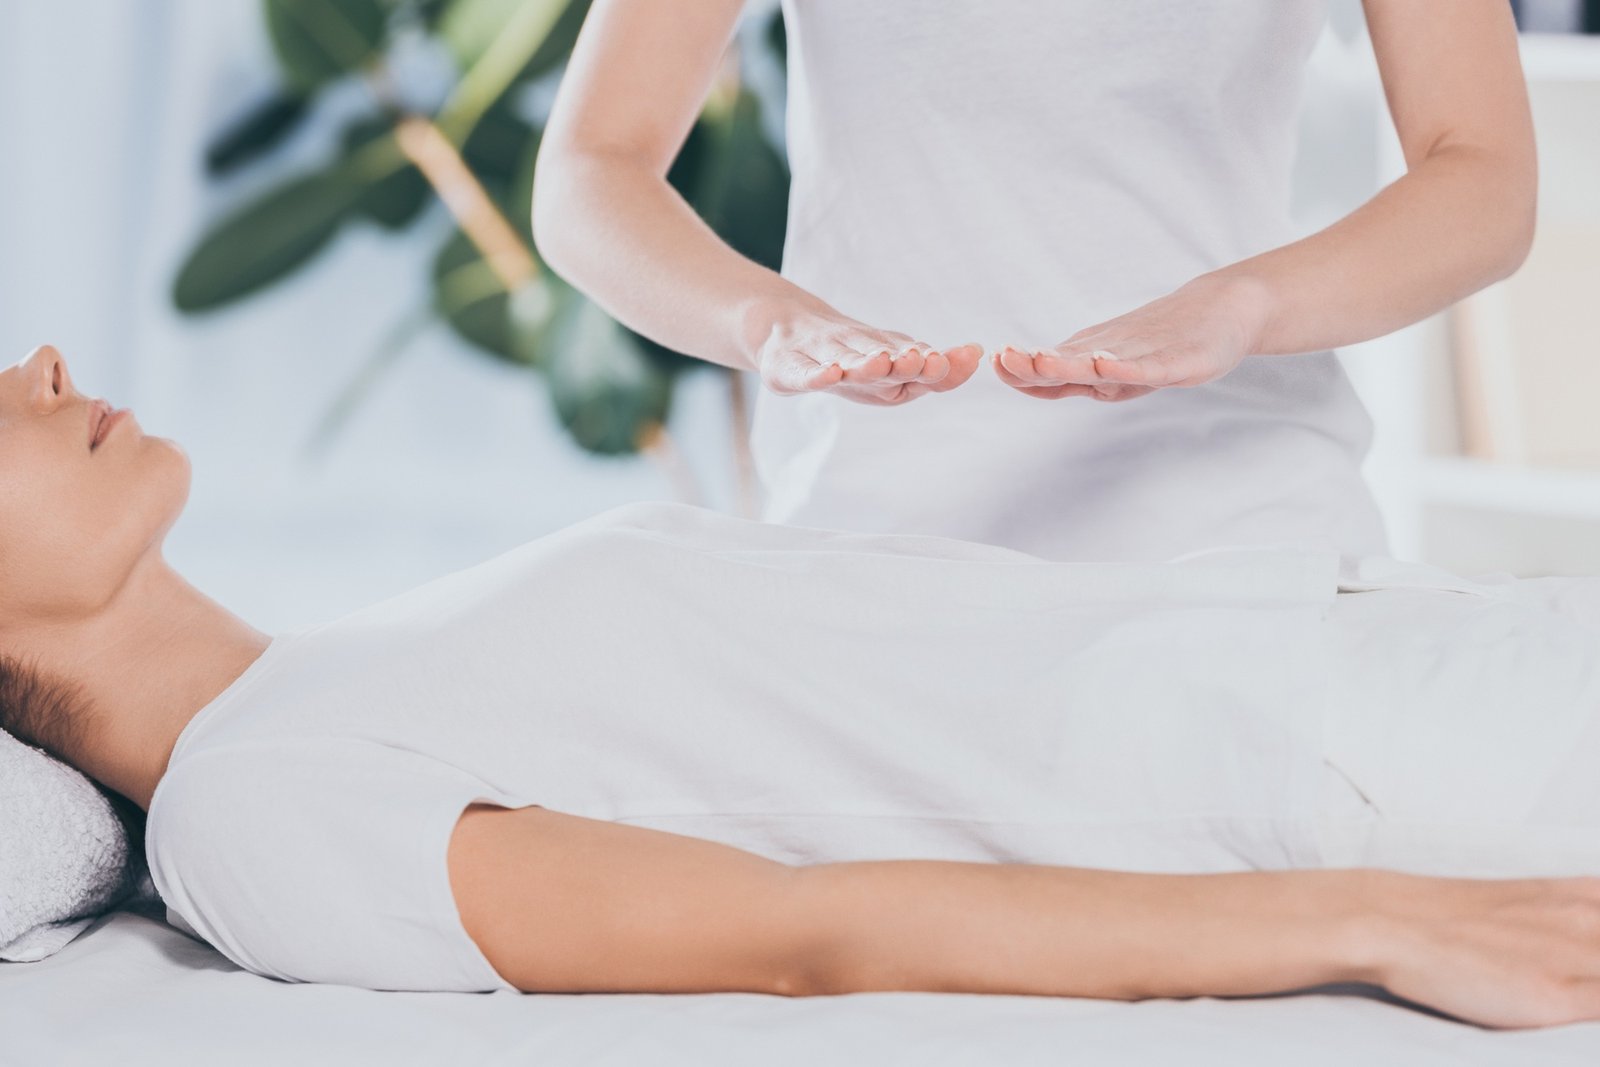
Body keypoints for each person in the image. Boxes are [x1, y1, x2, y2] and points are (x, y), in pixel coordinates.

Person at [4, 345, 1600, 1030]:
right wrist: (1386, 915)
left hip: (1367, 650)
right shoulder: (246, 806)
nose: (44, 367)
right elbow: (800, 934)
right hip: (1350, 767)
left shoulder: (328, 670)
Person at [531, 0, 1537, 562]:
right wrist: (765, 322)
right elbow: (591, 167)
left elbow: (1483, 175)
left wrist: (1243, 302)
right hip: (873, 535)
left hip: (1236, 535)